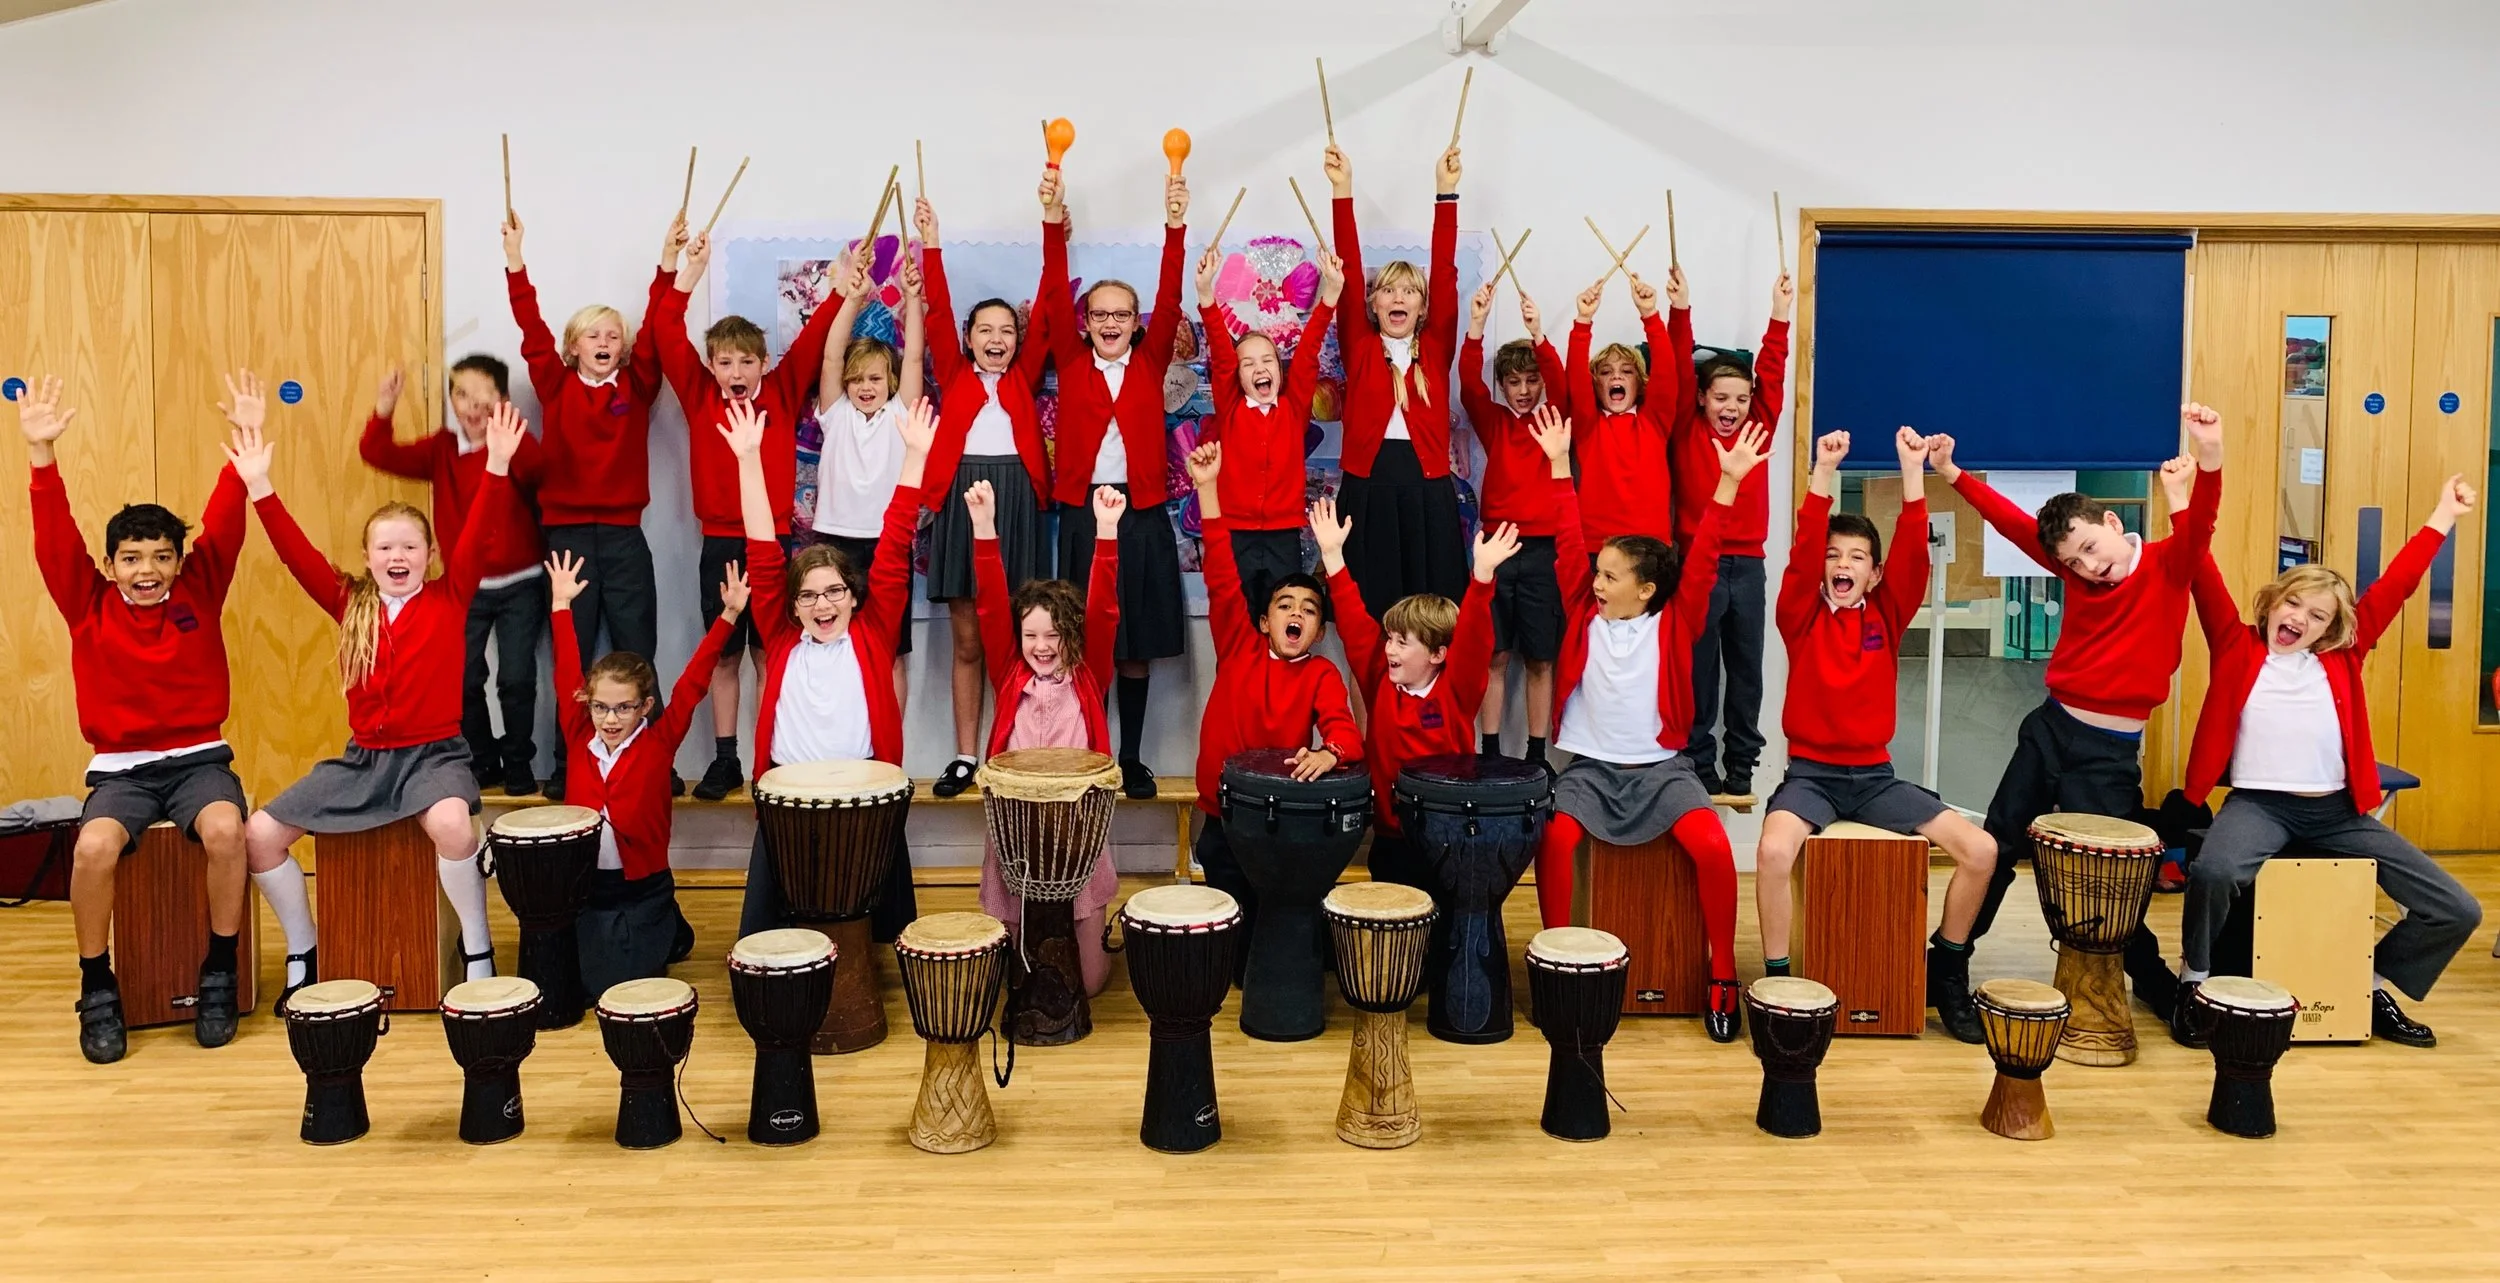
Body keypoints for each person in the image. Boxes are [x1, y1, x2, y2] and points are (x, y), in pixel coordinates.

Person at [18, 374, 299, 1063]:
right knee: (91, 848)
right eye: (133, 558)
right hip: (122, 770)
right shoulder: (88, 604)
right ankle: (97, 985)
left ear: (180, 562)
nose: (149, 570)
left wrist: (245, 443)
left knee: (228, 830)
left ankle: (219, 969)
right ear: (111, 566)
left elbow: (226, 517)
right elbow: (55, 540)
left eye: (162, 557)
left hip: (201, 760)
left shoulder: (200, 587)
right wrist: (41, 456)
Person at [1928, 403, 2225, 1020]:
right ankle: (1947, 966)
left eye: (2092, 548)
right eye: (2073, 563)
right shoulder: (2081, 576)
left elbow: (2201, 526)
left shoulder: (2171, 565)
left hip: (2109, 752)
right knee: (1997, 845)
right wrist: (1954, 474)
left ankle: (2144, 969)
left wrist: (2204, 462)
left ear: (2114, 522)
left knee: (2112, 873)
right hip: (2050, 728)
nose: (2090, 568)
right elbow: (2013, 526)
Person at [2175, 475, 2482, 1049]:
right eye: (2294, 604)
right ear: (2273, 603)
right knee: (2215, 872)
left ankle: (2363, 987)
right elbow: (2199, 567)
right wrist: (2180, 501)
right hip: (2259, 807)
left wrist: (2444, 513)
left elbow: (2398, 584)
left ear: (2333, 629)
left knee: (2456, 908)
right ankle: (2194, 983)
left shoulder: (2343, 658)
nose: (2300, 620)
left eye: (2318, 616)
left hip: (2339, 814)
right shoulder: (2236, 643)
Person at [244, 396, 531, 990]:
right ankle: (306, 950)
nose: (397, 556)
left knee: (454, 826)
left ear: (430, 556)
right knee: (261, 834)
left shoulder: (449, 600)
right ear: (367, 558)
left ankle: (477, 950)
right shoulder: (352, 605)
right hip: (365, 761)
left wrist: (498, 464)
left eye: (410, 547)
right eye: (385, 548)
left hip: (434, 756)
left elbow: (478, 534)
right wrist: (261, 487)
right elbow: (298, 558)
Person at [1753, 426, 1997, 1043]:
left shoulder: (1886, 614)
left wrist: (1912, 472)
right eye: (1834, 557)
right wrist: (1821, 473)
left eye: (1856, 558)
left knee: (1981, 851)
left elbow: (1914, 557)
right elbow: (1804, 548)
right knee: (1774, 853)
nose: (1841, 565)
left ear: (1874, 573)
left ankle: (1945, 965)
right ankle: (1778, 978)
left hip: (1875, 780)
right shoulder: (1799, 616)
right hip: (1811, 778)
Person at [1533, 413, 1771, 1043]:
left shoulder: (1675, 620)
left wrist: (1725, 486)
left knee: (1714, 847)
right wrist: (1560, 465)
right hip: (1589, 770)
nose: (1596, 579)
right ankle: (1557, 958)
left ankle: (1723, 974)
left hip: (1663, 771)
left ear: (1645, 590)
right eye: (1599, 571)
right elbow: (1565, 538)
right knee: (1555, 841)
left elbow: (1706, 555)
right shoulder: (1583, 612)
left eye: (1610, 575)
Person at [658, 233, 857, 802]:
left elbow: (818, 338)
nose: (737, 370)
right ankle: (726, 759)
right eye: (725, 361)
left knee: (771, 653)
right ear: (712, 366)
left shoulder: (785, 388)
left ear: (765, 364)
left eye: (748, 360)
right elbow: (666, 334)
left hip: (773, 547)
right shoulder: (699, 395)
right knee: (723, 654)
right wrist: (685, 275)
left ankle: (772, 753)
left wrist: (843, 289)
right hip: (719, 546)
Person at [725, 397, 927, 940]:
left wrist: (914, 457)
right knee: (766, 937)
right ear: (791, 606)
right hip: (787, 798)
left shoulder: (873, 630)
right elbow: (762, 547)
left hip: (865, 795)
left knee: (880, 932)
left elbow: (895, 542)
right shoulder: (783, 634)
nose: (823, 605)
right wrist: (748, 458)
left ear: (853, 597)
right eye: (809, 596)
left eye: (834, 591)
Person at [504, 212, 677, 799]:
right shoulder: (555, 385)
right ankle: (565, 765)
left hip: (626, 538)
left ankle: (651, 758)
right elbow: (529, 328)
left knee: (636, 650)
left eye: (613, 335)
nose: (605, 343)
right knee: (572, 656)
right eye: (593, 336)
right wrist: (515, 262)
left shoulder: (637, 386)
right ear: (572, 347)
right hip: (568, 541)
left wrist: (668, 265)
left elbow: (657, 328)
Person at [1043, 164, 1191, 800]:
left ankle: (1129, 757)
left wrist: (1175, 224)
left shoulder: (1153, 356)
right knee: (1085, 640)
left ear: (1137, 321)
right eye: (1099, 313)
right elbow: (1051, 291)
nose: (1109, 322)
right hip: (1082, 513)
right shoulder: (1072, 360)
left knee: (1133, 641)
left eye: (1121, 314)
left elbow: (1173, 288)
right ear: (1085, 322)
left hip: (1141, 514)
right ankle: (1092, 753)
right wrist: (1052, 224)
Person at [1186, 442, 1363, 946]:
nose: (1296, 615)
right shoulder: (1238, 646)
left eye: (1308, 610)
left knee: (1274, 934)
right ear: (1265, 622)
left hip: (1276, 820)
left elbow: (1345, 732)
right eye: (1285, 606)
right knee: (1230, 936)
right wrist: (1208, 488)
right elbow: (1221, 572)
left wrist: (1331, 754)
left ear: (1319, 630)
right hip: (1222, 817)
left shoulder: (1322, 673)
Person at [914, 180, 1058, 799]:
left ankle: (1015, 749)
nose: (996, 338)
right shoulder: (952, 370)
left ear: (1018, 340)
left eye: (1006, 330)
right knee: (968, 637)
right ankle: (966, 755)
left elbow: (1053, 298)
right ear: (969, 338)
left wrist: (1053, 223)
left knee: (1021, 635)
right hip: (962, 496)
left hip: (1017, 500)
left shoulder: (1025, 375)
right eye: (985, 330)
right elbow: (938, 310)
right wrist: (932, 243)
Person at [545, 550, 743, 1000]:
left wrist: (729, 615)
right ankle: (662, 928)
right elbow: (564, 672)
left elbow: (693, 682)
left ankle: (666, 922)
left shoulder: (658, 742)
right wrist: (561, 607)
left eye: (624, 707)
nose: (611, 718)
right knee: (594, 990)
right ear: (587, 704)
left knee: (637, 989)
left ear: (645, 707)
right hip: (591, 890)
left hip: (644, 887)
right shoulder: (579, 739)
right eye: (601, 707)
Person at [357, 360, 548, 796]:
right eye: (461, 395)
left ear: (501, 400)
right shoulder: (443, 449)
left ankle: (519, 761)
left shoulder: (513, 442)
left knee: (516, 678)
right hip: (464, 590)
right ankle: (482, 760)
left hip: (521, 582)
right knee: (463, 679)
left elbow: (540, 472)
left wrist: (508, 436)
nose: (471, 407)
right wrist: (383, 410)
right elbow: (377, 454)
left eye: (483, 397)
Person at [966, 478, 1126, 995]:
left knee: (1092, 985)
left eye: (1054, 634)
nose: (1042, 645)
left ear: (1071, 637)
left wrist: (1106, 533)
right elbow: (990, 606)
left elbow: (1103, 610)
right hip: (1016, 825)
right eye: (1032, 634)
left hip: (1077, 825)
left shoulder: (1088, 673)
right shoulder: (1008, 672)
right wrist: (984, 527)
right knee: (1012, 975)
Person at [1313, 490, 1518, 887]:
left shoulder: (1457, 690)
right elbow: (1355, 623)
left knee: (1442, 934)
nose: (1389, 649)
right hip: (1391, 839)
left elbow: (1475, 638)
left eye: (1402, 643)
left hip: (1448, 836)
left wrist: (1483, 578)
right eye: (1389, 639)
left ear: (1439, 653)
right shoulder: (1379, 680)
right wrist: (1333, 558)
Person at [1324, 141, 1468, 621]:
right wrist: (1342, 191)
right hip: (1368, 492)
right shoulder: (1360, 347)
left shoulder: (1435, 346)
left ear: (1423, 308)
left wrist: (1445, 194)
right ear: (1373, 304)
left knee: (1431, 620)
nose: (1398, 297)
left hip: (1428, 494)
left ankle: (1427, 699)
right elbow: (1346, 259)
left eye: (1410, 291)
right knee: (1367, 621)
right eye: (1388, 290)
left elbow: (1445, 273)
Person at [1675, 272, 1793, 798]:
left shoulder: (1757, 429)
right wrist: (1681, 309)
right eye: (1721, 397)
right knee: (1698, 670)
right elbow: (1678, 367)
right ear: (1701, 399)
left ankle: (1741, 767)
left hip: (1747, 566)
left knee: (1747, 671)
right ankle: (1699, 765)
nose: (1732, 407)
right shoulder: (1685, 427)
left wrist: (1780, 315)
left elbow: (1773, 368)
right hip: (1696, 564)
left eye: (1741, 399)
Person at [807, 243, 926, 709]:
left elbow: (913, 357)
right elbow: (831, 359)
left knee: (891, 651)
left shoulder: (901, 414)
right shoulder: (835, 413)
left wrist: (914, 299)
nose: (864, 387)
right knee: (834, 645)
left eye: (875, 378)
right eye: (858, 380)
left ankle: (888, 748)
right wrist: (851, 300)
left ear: (891, 383)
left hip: (888, 544)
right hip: (835, 540)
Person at [1195, 245, 1342, 615]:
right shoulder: (1230, 409)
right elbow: (1220, 348)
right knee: (1238, 619)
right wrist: (1206, 295)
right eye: (1247, 363)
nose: (1259, 368)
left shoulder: (1293, 410)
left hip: (1283, 537)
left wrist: (1330, 296)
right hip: (1235, 536)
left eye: (1267, 360)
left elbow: (1308, 353)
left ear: (1279, 369)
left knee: (1283, 619)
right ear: (1236, 375)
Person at [1460, 283, 1570, 761]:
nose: (1524, 391)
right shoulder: (1495, 422)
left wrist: (1538, 334)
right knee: (1495, 655)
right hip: (1497, 548)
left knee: (1542, 657)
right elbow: (1467, 384)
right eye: (1514, 383)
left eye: (1531, 381)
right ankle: (1488, 751)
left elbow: (1562, 382)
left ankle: (1536, 753)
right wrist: (1478, 325)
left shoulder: (1556, 418)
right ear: (1503, 387)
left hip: (1547, 550)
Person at [1565, 266, 1691, 555]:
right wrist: (1583, 321)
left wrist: (1650, 315)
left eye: (1626, 371)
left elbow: (1667, 374)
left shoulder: (1655, 421)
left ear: (1641, 382)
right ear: (1595, 384)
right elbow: (1575, 377)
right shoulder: (1588, 425)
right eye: (1606, 373)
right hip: (1598, 546)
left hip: (1652, 545)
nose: (1616, 378)